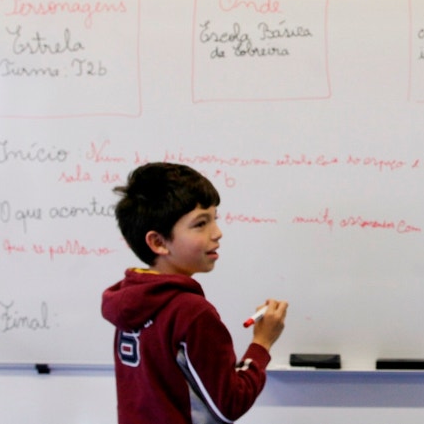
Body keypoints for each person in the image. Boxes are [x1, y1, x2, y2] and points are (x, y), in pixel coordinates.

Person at [101, 162, 288, 424]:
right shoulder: (191, 312)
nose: (217, 233)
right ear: (158, 242)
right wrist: (262, 343)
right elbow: (230, 404)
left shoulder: (130, 301)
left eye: (214, 219)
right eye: (201, 224)